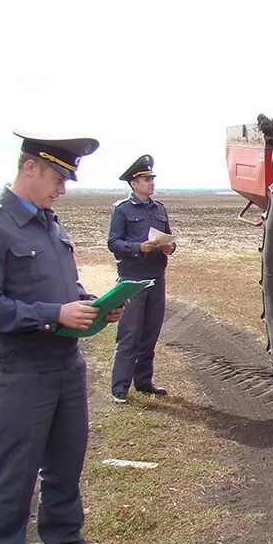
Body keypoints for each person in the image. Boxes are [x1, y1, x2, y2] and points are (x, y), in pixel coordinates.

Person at [0, 131, 124, 544]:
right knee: (12, 478)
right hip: (19, 373)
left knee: (65, 463)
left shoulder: (50, 224)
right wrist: (54, 314)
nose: (62, 189)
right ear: (29, 167)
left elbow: (62, 289)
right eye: (57, 178)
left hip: (65, 365)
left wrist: (92, 305)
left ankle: (65, 538)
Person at [107, 154, 175, 403]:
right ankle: (119, 388)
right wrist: (138, 247)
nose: (151, 182)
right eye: (146, 179)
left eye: (152, 178)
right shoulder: (122, 210)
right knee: (129, 334)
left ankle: (144, 382)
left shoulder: (160, 209)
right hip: (132, 279)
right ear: (133, 183)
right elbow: (113, 242)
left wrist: (169, 247)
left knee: (150, 332)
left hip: (156, 277)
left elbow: (170, 239)